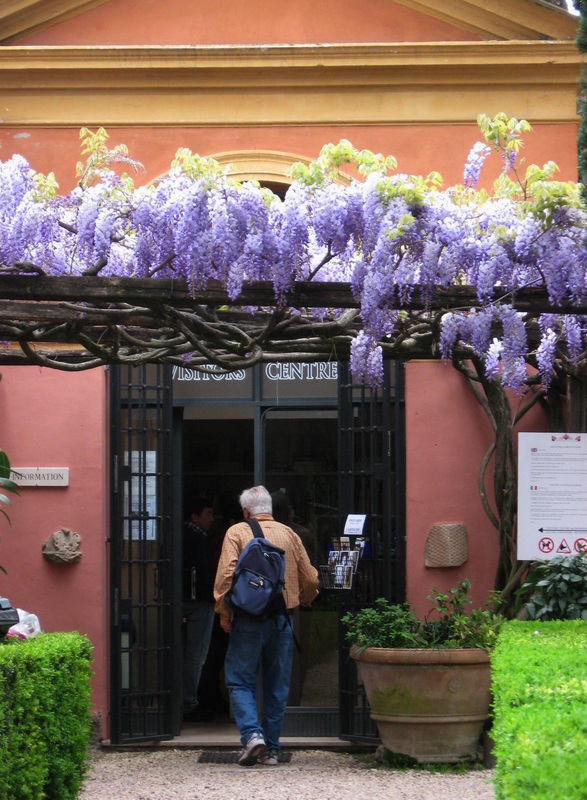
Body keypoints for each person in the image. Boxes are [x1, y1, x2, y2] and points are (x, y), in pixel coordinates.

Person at [214, 485, 319, 767]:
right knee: (276, 685)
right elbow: (310, 578)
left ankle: (252, 735)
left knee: (239, 680)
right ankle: (272, 749)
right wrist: (305, 600)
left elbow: (225, 577)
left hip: (248, 619)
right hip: (283, 619)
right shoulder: (291, 534)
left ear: (246, 511)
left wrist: (224, 615)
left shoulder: (236, 532)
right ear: (270, 509)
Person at [182, 497, 216, 722]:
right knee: (197, 654)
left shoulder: (176, 533)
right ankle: (189, 703)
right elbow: (203, 573)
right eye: (208, 513)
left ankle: (181, 700)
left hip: (179, 599)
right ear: (194, 517)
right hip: (199, 602)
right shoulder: (198, 537)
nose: (212, 519)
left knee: (177, 651)